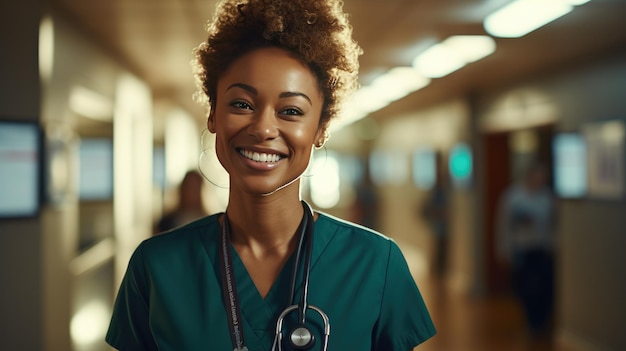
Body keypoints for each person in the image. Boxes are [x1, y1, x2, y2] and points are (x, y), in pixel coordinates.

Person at [106, 0, 436, 350]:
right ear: (213, 113)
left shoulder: (375, 264)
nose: (263, 128)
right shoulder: (156, 267)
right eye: (242, 104)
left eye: (291, 110)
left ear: (321, 129)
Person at [496, 160, 557, 338]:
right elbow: (503, 225)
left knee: (545, 286)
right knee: (524, 287)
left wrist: (554, 244)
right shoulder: (513, 197)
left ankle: (541, 320)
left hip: (542, 248)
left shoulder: (547, 197)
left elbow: (554, 223)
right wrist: (504, 250)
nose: (541, 179)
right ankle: (531, 320)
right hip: (521, 249)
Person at [155, 169, 208, 234]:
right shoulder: (167, 222)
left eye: (195, 188)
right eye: (189, 187)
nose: (191, 193)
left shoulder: (209, 222)